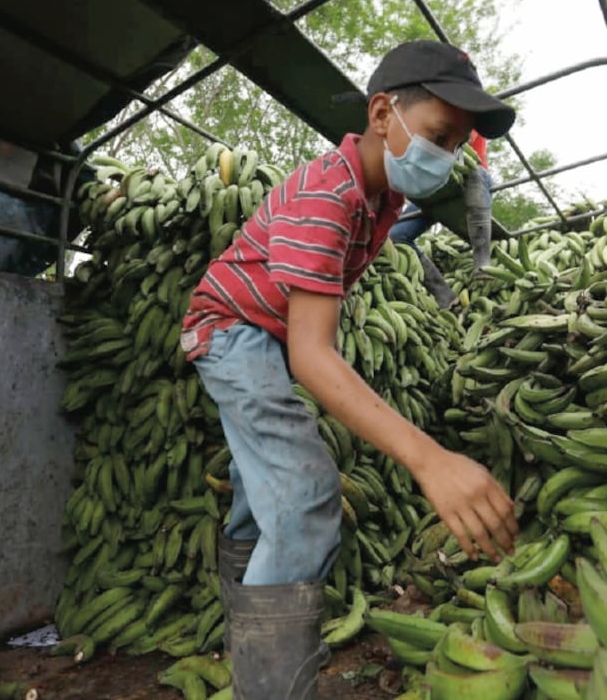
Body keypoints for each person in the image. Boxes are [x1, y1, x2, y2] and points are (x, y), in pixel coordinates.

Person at [179, 40, 519, 699]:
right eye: (440, 136)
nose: (446, 158)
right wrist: (430, 459)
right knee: (305, 499)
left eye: (457, 146)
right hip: (230, 331)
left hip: (262, 336)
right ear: (384, 112)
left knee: (262, 499)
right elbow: (312, 353)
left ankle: (249, 647)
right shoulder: (327, 194)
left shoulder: (380, 198)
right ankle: (269, 688)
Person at [389, 130, 495, 307]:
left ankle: (482, 258)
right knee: (396, 235)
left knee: (473, 171)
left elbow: (464, 138)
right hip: (433, 183)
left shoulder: (463, 112)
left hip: (471, 177)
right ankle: (443, 294)